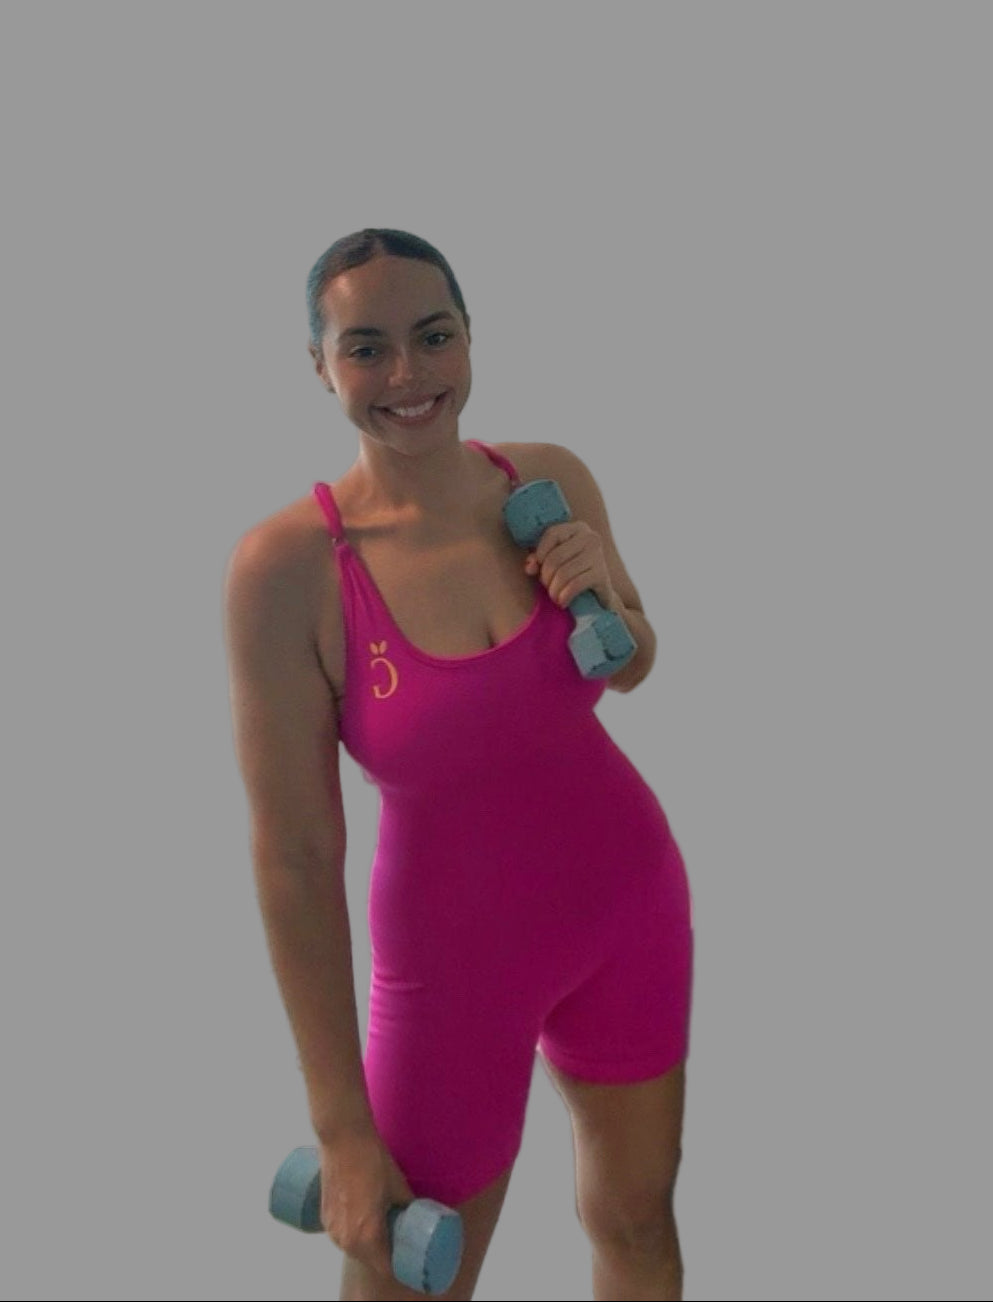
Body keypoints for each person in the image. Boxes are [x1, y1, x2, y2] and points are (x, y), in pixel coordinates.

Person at [223, 229, 694, 1302]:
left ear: (471, 337)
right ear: (320, 365)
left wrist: (605, 593)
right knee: (406, 1284)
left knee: (636, 1221)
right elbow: (296, 857)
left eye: (434, 337)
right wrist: (342, 1131)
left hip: (629, 904)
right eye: (366, 348)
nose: (408, 374)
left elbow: (633, 662)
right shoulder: (286, 569)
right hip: (452, 970)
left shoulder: (549, 478)